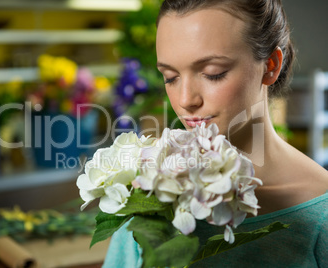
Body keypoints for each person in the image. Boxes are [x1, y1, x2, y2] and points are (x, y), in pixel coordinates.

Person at [102, 0, 328, 267]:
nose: (185, 100)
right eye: (171, 77)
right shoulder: (148, 192)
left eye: (213, 73)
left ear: (270, 66)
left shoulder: (319, 214)